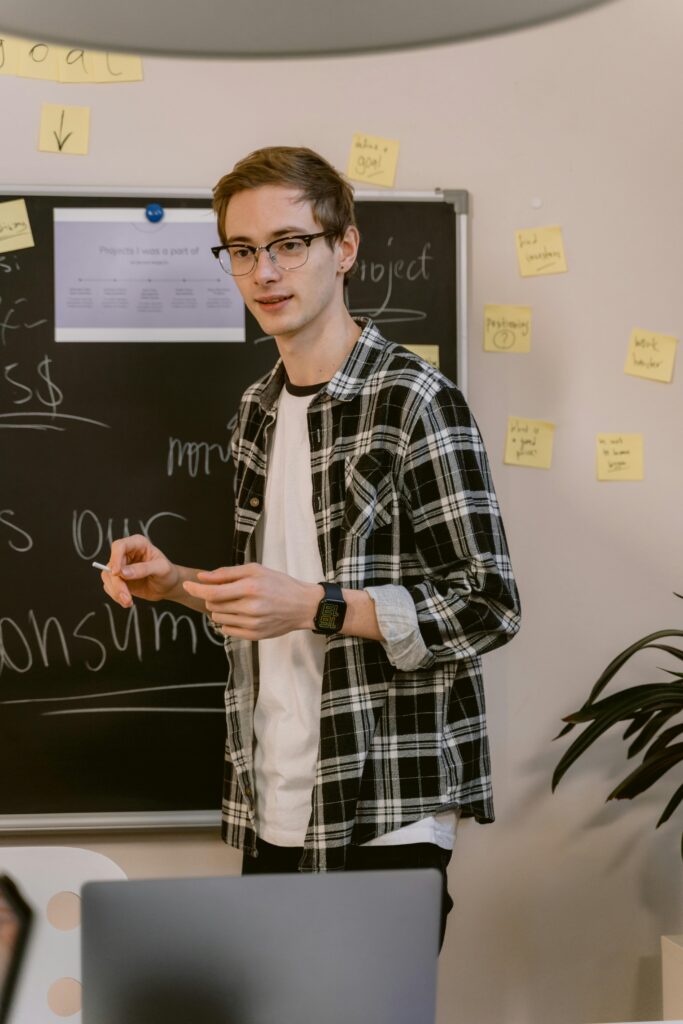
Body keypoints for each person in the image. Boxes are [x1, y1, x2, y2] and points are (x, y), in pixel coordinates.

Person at [102, 146, 520, 948]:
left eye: (290, 243)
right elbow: (277, 598)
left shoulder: (415, 400)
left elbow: (489, 605)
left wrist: (319, 607)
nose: (266, 271)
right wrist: (179, 584)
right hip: (273, 800)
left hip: (383, 809)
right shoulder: (255, 410)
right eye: (244, 250)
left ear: (345, 248)